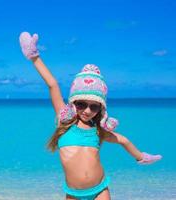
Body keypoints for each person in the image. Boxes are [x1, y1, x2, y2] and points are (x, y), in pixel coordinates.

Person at [19, 32, 162, 200]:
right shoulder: (64, 122)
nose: (87, 111)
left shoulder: (97, 131)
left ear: (100, 109)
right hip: (73, 194)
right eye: (81, 104)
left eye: (93, 107)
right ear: (74, 102)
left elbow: (123, 140)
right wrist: (34, 57)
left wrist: (141, 157)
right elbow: (53, 85)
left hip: (100, 189)